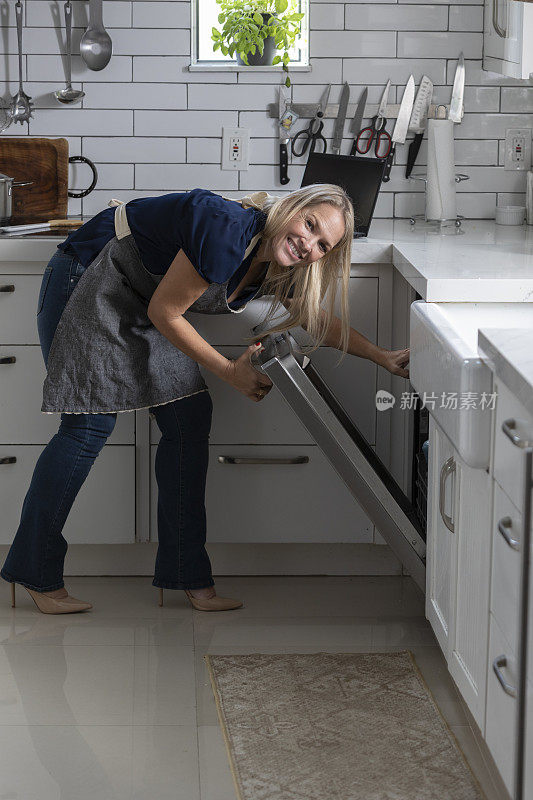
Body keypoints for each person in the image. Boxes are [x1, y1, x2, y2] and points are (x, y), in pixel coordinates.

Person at [1, 185, 409, 615]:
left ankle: (186, 575)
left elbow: (313, 319)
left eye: (323, 244)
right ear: (292, 208)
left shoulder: (279, 260)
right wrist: (231, 371)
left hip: (145, 303)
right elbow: (166, 313)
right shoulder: (228, 229)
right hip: (86, 278)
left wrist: (381, 356)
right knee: (88, 425)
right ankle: (35, 570)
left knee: (188, 418)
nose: (309, 244)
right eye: (309, 225)